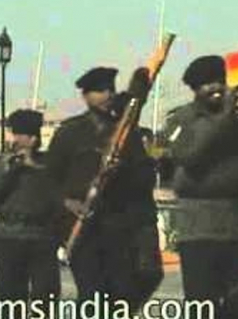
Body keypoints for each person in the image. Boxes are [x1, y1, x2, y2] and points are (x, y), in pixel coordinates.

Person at [46, 67, 163, 314]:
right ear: (86, 96)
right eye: (100, 90)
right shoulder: (69, 133)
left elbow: (144, 178)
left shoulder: (126, 133)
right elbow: (49, 180)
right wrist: (67, 203)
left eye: (110, 89)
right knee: (91, 294)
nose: (107, 94)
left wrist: (124, 170)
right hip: (81, 229)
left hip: (117, 227)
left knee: (120, 294)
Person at [162, 55, 238, 319]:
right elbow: (189, 155)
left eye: (220, 82)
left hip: (236, 224)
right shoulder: (180, 119)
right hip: (197, 227)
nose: (216, 88)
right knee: (202, 304)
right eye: (207, 84)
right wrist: (225, 118)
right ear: (195, 89)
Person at [0, 109, 62, 317]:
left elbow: (59, 193)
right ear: (17, 136)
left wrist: (34, 166)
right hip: (10, 236)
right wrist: (12, 169)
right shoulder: (1, 162)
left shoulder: (48, 163)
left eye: (35, 134)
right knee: (10, 298)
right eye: (28, 134)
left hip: (43, 237)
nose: (34, 139)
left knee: (45, 298)